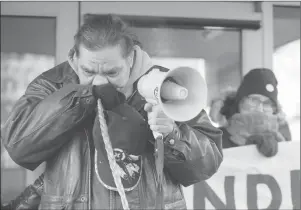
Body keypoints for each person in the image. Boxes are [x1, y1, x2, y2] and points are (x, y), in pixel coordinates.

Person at [1, 14, 223, 210]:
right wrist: (82, 97)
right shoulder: (53, 84)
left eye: (112, 72)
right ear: (74, 59)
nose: (99, 80)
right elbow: (19, 145)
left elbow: (209, 161)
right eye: (88, 71)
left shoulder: (163, 84)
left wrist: (173, 135)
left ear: (130, 59)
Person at [209, 68, 291, 157]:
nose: (260, 108)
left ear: (274, 109)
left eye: (267, 103)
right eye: (254, 100)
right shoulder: (215, 141)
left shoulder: (283, 139)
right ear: (240, 102)